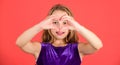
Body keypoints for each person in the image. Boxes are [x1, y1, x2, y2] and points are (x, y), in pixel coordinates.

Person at [16, 4, 103, 65]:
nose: (60, 27)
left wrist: (79, 27)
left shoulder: (78, 49)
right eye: (55, 22)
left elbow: (97, 45)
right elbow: (20, 42)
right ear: (48, 25)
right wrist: (39, 26)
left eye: (65, 23)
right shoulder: (40, 48)